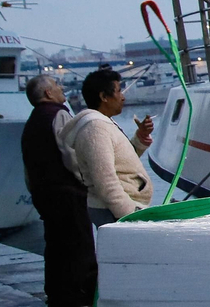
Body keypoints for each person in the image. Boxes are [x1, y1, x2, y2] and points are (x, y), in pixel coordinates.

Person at [21, 75, 97, 307]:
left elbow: (28, 168)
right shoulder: (59, 115)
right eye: (56, 85)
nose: (61, 88)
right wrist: (86, 180)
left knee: (56, 249)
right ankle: (75, 304)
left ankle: (58, 305)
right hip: (67, 193)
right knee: (77, 248)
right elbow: (71, 155)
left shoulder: (32, 122)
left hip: (45, 194)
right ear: (47, 93)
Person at [60, 67, 154, 228]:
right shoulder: (95, 129)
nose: (123, 97)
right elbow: (105, 180)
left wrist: (140, 136)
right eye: (118, 91)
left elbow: (121, 161)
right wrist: (130, 214)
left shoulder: (102, 123)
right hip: (115, 212)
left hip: (118, 209)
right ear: (103, 97)